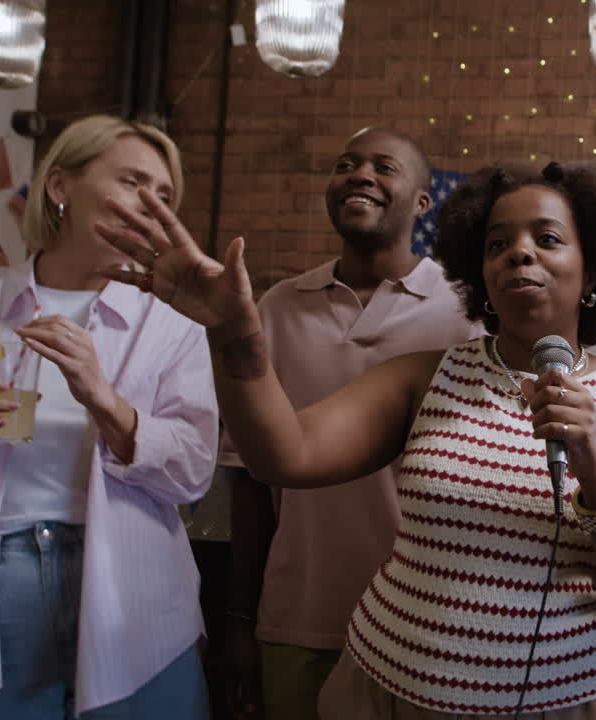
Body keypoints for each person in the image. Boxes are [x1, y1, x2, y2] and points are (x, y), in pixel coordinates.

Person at [98, 160, 596, 718]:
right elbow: (284, 454)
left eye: (548, 239)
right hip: (387, 693)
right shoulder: (425, 376)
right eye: (497, 243)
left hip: (569, 703)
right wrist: (237, 338)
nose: (519, 254)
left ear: (593, 271)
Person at [0, 115, 218, 717]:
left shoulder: (172, 323)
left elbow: (194, 471)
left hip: (133, 587)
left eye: (165, 196)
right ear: (60, 185)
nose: (149, 204)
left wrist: (107, 400)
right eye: (132, 182)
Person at [220, 127, 480, 720]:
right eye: (346, 163)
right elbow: (250, 484)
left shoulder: (466, 312)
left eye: (384, 166)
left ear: (421, 201)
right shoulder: (277, 307)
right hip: (296, 617)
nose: (360, 175)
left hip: (423, 625)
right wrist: (240, 619)